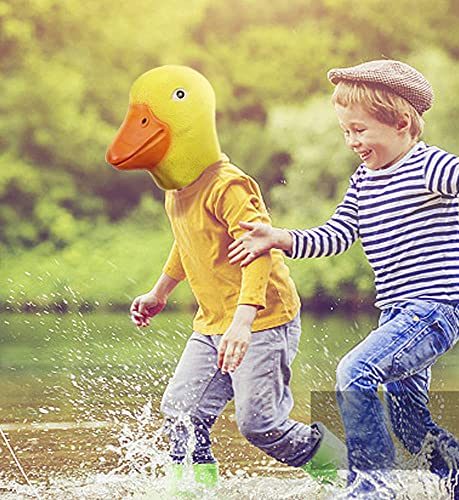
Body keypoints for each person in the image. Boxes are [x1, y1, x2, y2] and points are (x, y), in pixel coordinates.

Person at [228, 59, 459, 499]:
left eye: (360, 130)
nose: (351, 141)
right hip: (398, 316)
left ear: (401, 122)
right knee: (413, 430)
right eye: (346, 132)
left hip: (434, 308)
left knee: (355, 372)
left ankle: (372, 487)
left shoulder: (431, 166)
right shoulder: (363, 182)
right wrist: (279, 237)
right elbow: (335, 236)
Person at [105, 65, 346, 494]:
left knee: (260, 425)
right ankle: (194, 491)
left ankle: (347, 470)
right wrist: (160, 291)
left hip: (262, 320)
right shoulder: (177, 192)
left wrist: (243, 321)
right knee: (180, 412)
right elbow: (189, 242)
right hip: (213, 323)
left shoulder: (228, 186)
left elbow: (260, 249)